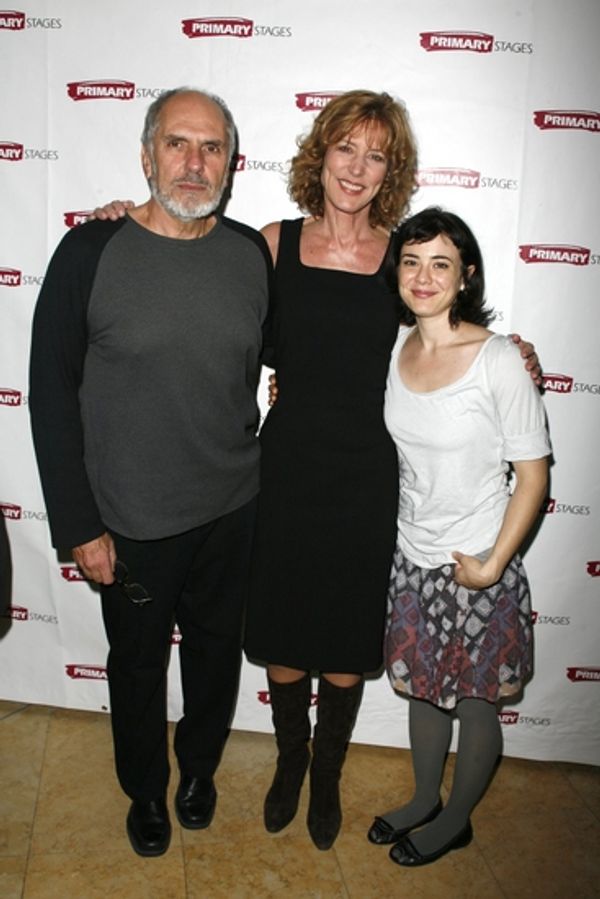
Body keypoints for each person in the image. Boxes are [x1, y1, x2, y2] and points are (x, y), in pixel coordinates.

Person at [90, 90, 541, 852]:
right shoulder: (271, 243)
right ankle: (290, 761)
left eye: (376, 156)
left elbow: (447, 329)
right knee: (284, 631)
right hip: (284, 470)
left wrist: (512, 350)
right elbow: (190, 263)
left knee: (343, 635)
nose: (357, 168)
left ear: (391, 172)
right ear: (320, 155)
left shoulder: (400, 257)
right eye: (345, 148)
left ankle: (326, 771)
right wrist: (119, 220)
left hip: (367, 479)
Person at [29, 87, 271, 857]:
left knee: (213, 657)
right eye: (177, 143)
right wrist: (79, 525)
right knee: (136, 667)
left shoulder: (249, 255)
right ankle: (145, 790)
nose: (194, 163)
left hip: (232, 507)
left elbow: (317, 349)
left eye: (211, 148)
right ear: (146, 156)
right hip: (130, 522)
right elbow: (50, 395)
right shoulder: (89, 252)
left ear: (230, 164)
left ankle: (197, 771)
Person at [367, 207, 550, 867]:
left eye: (440, 263)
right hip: (412, 555)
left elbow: (533, 475)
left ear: (465, 274)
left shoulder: (497, 359)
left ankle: (457, 819)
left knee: (475, 704)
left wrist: (494, 563)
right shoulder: (395, 346)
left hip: (477, 561)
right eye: (412, 262)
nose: (424, 276)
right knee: (423, 689)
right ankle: (424, 798)